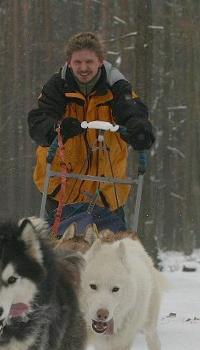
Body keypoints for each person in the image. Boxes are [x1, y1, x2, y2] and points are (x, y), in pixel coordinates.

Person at [27, 32, 155, 234]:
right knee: (59, 254)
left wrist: (139, 129)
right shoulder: (57, 88)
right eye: (77, 62)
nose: (83, 68)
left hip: (107, 191)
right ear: (69, 63)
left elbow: (133, 111)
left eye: (89, 61)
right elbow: (38, 122)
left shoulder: (117, 88)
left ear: (100, 61)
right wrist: (58, 128)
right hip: (62, 189)